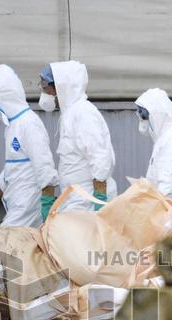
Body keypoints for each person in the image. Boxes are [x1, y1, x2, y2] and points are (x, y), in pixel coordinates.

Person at [0, 65, 58, 228]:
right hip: (17, 207)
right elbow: (12, 169)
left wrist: (47, 206)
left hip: (28, 210)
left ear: (4, 98)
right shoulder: (12, 126)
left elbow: (45, 167)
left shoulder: (29, 124)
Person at [37, 61, 116, 211]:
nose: (46, 95)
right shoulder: (70, 113)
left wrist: (99, 201)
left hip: (88, 199)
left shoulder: (83, 113)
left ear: (61, 87)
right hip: (77, 197)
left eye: (47, 90)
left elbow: (99, 156)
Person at [134, 88, 172, 201]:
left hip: (169, 213)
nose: (142, 120)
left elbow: (169, 186)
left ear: (156, 115)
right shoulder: (164, 140)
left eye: (144, 115)